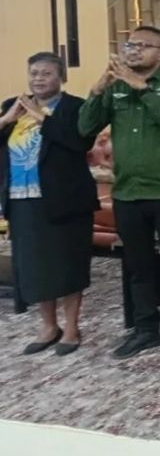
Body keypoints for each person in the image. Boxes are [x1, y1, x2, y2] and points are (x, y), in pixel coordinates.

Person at [78, 26, 160, 361]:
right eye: (130, 45)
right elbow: (85, 128)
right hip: (128, 190)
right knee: (137, 264)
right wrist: (97, 90)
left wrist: (141, 87)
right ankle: (146, 329)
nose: (133, 51)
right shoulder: (114, 86)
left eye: (143, 46)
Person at [2, 53, 97, 356]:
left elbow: (80, 142)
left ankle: (71, 327)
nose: (38, 79)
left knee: (67, 264)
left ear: (61, 77)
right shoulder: (12, 106)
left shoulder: (74, 107)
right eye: (34, 73)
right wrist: (7, 119)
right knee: (36, 267)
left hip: (64, 200)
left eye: (46, 73)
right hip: (22, 199)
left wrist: (43, 117)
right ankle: (48, 326)